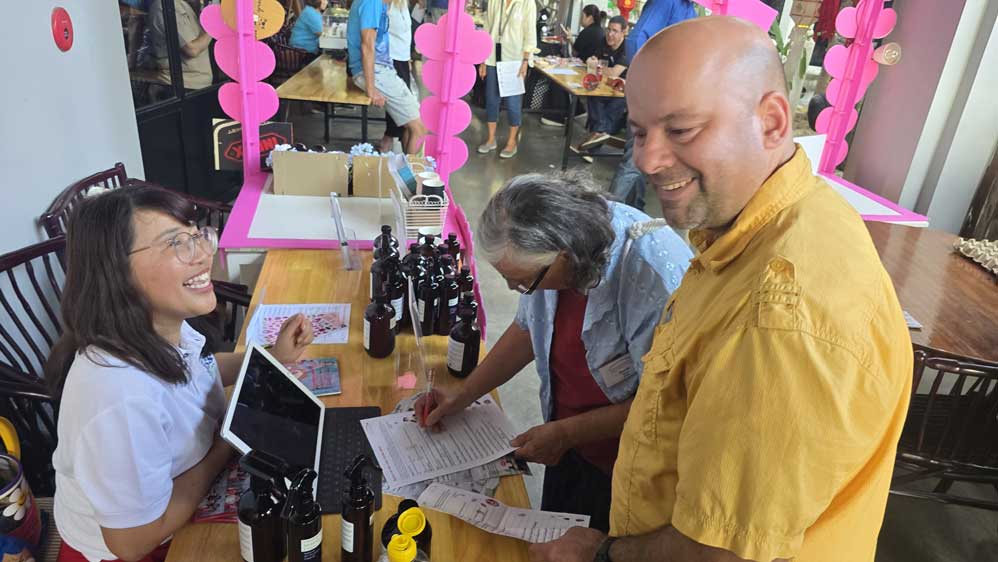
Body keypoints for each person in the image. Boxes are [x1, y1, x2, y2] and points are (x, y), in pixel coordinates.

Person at [528, 17, 912, 562]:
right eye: (639, 132)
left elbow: (719, 552)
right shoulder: (763, 223)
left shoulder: (780, 317)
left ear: (772, 122)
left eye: (682, 130)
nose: (647, 159)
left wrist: (603, 554)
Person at [47, 185, 313, 562]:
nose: (204, 254)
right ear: (116, 272)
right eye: (176, 243)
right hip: (149, 546)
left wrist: (273, 356)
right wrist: (229, 441)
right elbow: (132, 543)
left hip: (190, 497)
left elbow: (199, 371)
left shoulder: (159, 327)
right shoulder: (118, 397)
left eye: (196, 235)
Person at [416, 173, 692, 532]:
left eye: (522, 281)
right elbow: (527, 328)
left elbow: (665, 403)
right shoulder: (549, 256)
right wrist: (465, 394)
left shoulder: (652, 275)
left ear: (565, 256)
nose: (514, 290)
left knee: (603, 540)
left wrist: (567, 433)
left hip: (632, 463)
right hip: (568, 440)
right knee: (557, 532)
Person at [610, 0, 697, 210]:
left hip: (674, 94)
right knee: (635, 158)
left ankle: (635, 209)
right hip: (656, 93)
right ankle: (606, 213)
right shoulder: (667, 2)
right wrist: (648, 79)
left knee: (647, 156)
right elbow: (635, 39)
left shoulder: (691, 9)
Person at [348, 0, 427, 154]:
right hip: (376, 71)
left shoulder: (378, 4)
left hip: (382, 69)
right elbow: (367, 45)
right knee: (418, 128)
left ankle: (406, 168)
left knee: (412, 127)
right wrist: (371, 88)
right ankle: (410, 170)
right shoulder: (372, 2)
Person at [477, 0, 537, 159]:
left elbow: (530, 34)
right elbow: (487, 30)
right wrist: (483, 60)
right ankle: (491, 139)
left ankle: (512, 142)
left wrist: (525, 61)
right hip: (492, 58)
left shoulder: (527, 3)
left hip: (514, 60)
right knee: (491, 100)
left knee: (512, 103)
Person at [574, 16, 629, 155]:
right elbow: (592, 60)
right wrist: (591, 61)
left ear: (624, 32)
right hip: (603, 86)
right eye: (608, 30)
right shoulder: (603, 42)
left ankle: (591, 147)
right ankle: (598, 136)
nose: (610, 34)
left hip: (622, 91)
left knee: (611, 110)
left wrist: (597, 66)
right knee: (592, 94)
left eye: (615, 31)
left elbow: (614, 72)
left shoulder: (627, 48)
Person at [147, 0, 213, 89]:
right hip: (183, 86)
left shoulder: (183, 4)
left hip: (195, 84)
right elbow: (192, 50)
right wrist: (214, 27)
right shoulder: (165, 7)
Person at [381, 0, 416, 153]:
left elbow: (406, 34)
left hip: (402, 58)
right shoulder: (386, 4)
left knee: (402, 105)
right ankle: (389, 137)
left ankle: (389, 137)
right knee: (401, 106)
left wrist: (408, 58)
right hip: (390, 58)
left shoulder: (403, 4)